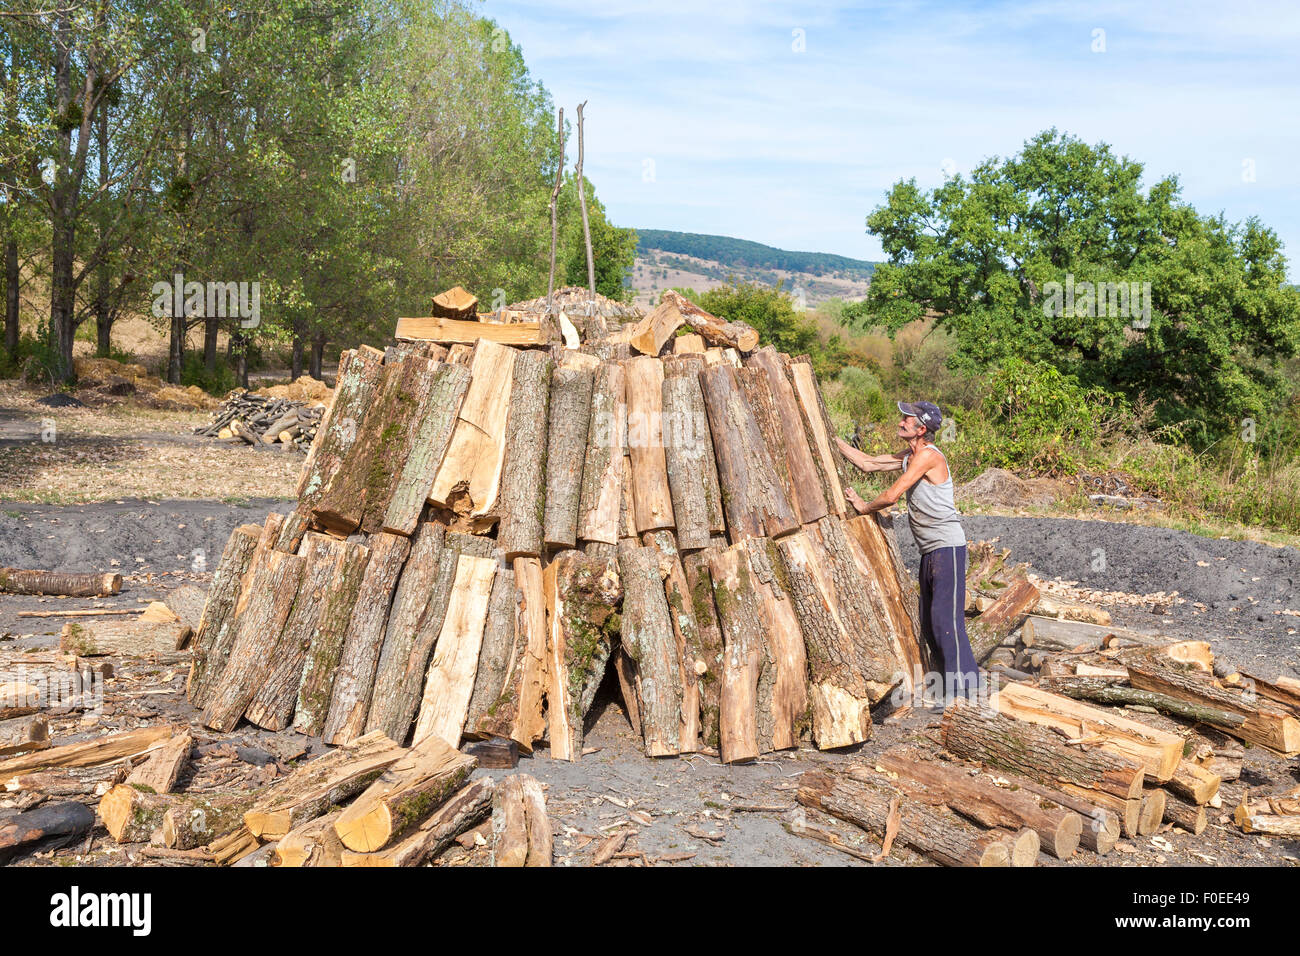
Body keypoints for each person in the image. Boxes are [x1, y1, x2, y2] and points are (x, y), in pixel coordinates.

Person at [835, 401, 978, 704]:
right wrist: (829, 437)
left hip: (948, 547)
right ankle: (952, 690)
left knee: (946, 621)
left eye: (907, 419)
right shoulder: (909, 456)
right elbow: (868, 463)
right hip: (930, 551)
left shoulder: (927, 457)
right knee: (928, 622)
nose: (900, 422)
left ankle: (963, 694)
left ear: (921, 429)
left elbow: (892, 494)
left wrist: (863, 506)